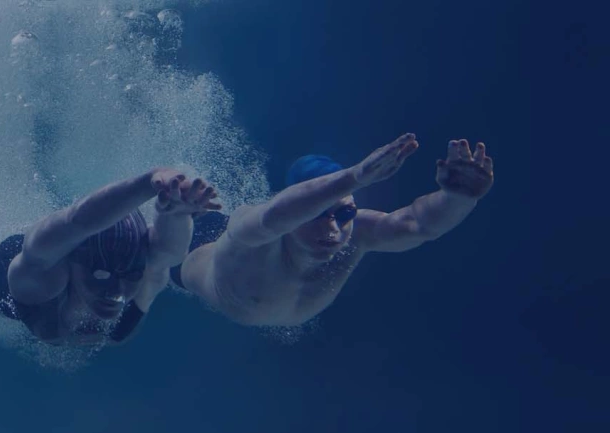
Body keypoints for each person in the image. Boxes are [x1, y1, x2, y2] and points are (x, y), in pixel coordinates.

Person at [173, 134, 495, 326]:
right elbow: (274, 215)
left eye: (344, 214)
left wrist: (458, 198)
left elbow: (419, 225)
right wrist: (355, 177)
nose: (332, 228)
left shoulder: (358, 233)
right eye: (316, 214)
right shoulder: (254, 231)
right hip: (187, 250)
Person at [0, 169, 221, 345]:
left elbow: (170, 251)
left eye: (131, 274)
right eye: (101, 274)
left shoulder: (146, 272)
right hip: (4, 274)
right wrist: (149, 182)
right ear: (70, 260)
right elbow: (75, 222)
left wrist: (177, 213)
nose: (116, 290)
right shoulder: (44, 278)